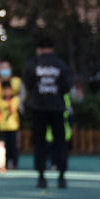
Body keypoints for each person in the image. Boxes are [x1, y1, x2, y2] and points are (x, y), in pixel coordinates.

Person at [22, 37, 72, 188]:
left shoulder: (33, 64)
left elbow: (28, 84)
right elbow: (66, 86)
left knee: (39, 143)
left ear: (38, 49)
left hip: (39, 107)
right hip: (57, 107)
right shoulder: (60, 64)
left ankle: (41, 176)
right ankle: (61, 176)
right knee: (60, 142)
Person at [0, 60, 21, 169]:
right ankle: (1, 163)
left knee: (13, 145)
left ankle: (13, 162)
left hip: (13, 125)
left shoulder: (17, 85)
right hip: (1, 124)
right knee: (1, 145)